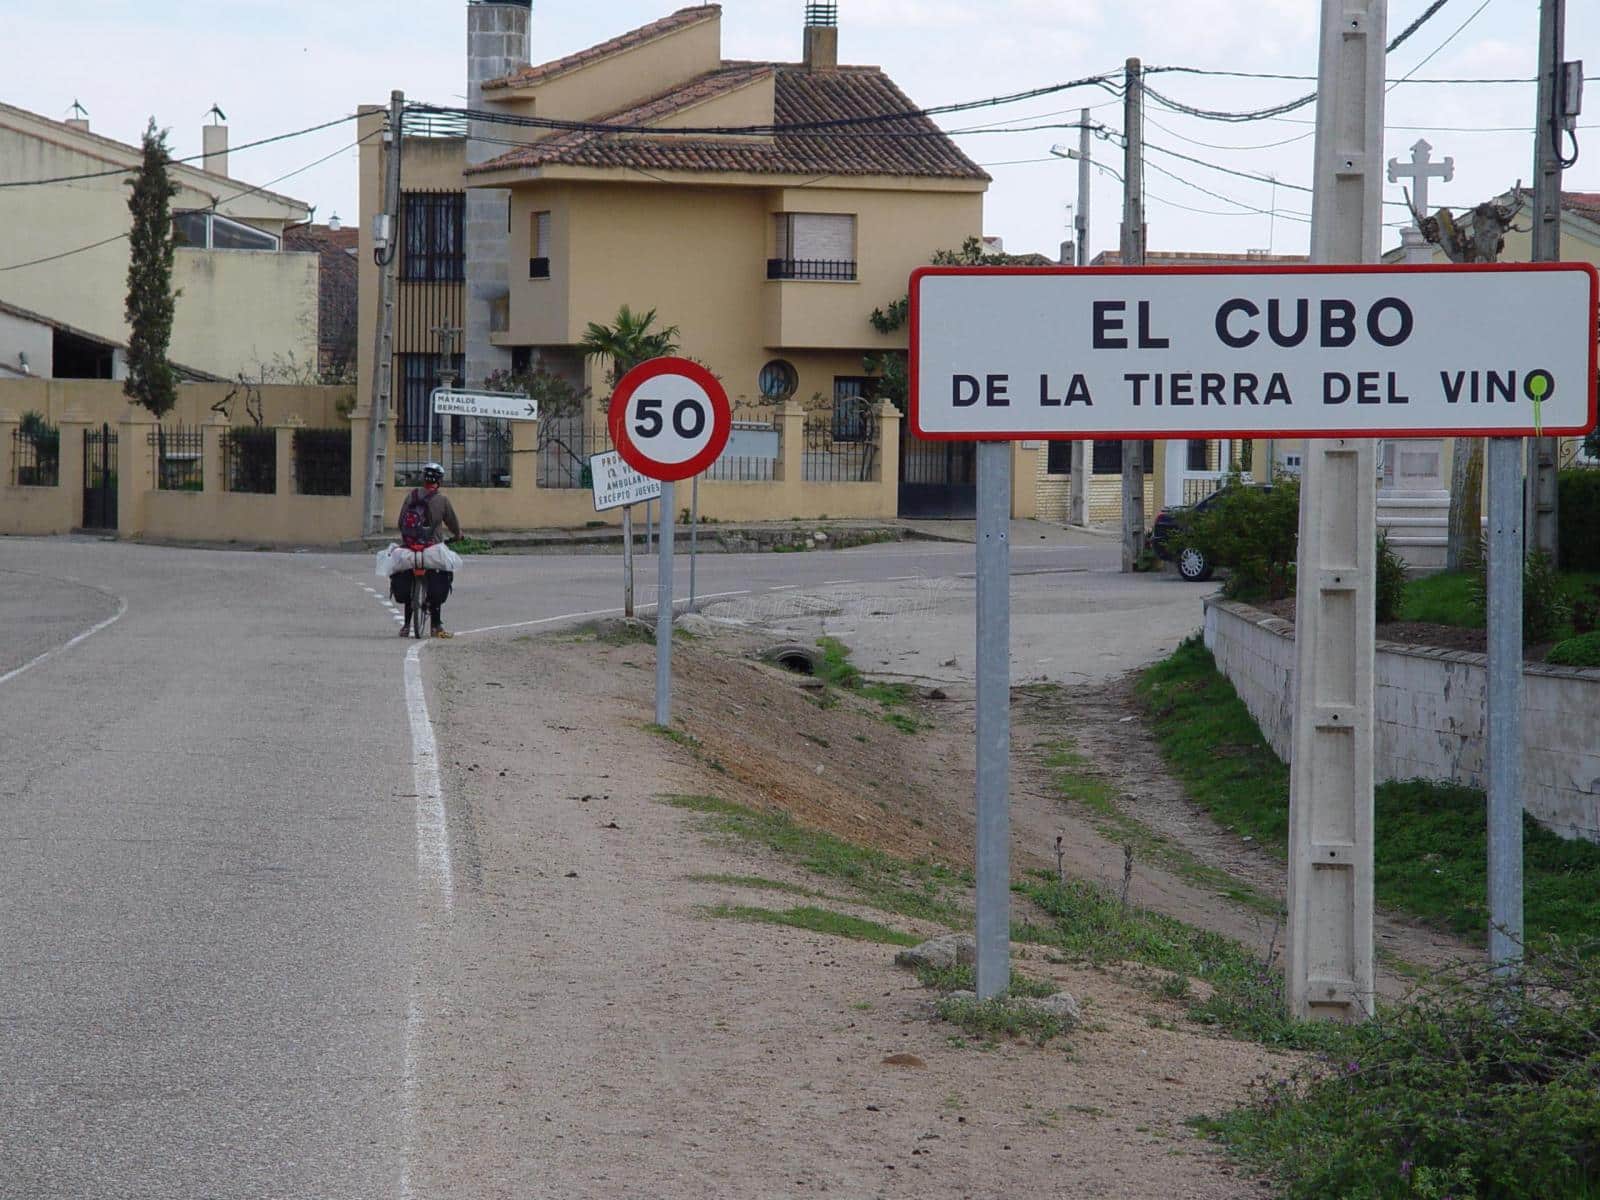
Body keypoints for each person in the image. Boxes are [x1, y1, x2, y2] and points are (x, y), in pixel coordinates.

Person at [392, 462, 462, 638]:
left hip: (410, 547)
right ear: (439, 481)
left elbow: (401, 523)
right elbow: (453, 524)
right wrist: (459, 535)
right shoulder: (442, 500)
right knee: (440, 575)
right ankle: (436, 626)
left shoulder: (411, 496)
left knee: (407, 577)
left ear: (423, 478)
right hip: (432, 548)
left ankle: (407, 625)